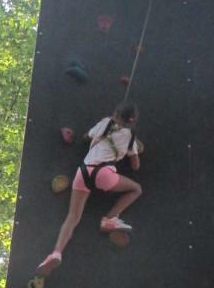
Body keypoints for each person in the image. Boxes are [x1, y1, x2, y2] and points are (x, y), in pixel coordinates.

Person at [36, 102, 142, 276]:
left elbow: (86, 136)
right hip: (104, 174)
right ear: (132, 121)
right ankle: (110, 218)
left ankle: (56, 252)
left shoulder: (106, 123)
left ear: (116, 113)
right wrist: (133, 147)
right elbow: (136, 166)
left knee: (72, 217)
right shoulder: (131, 136)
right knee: (136, 189)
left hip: (83, 171)